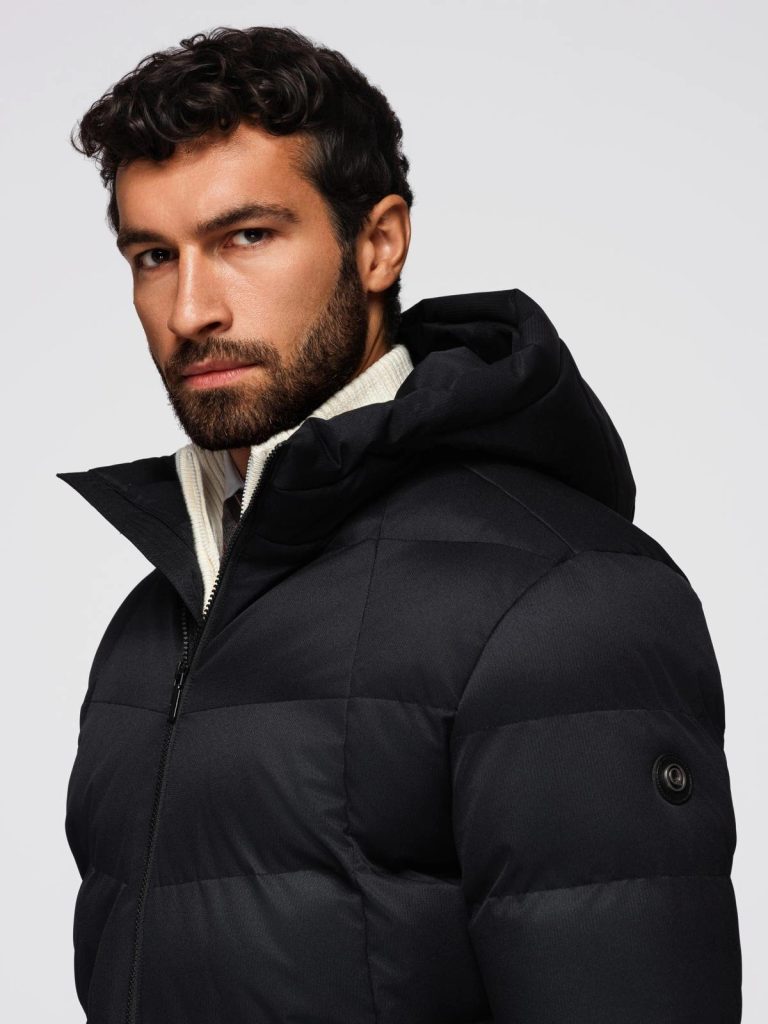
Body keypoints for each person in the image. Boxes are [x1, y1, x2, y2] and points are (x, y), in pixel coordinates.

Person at [57, 25, 742, 1024]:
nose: (190, 310)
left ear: (378, 244)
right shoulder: (156, 622)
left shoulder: (565, 597)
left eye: (247, 237)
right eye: (154, 255)